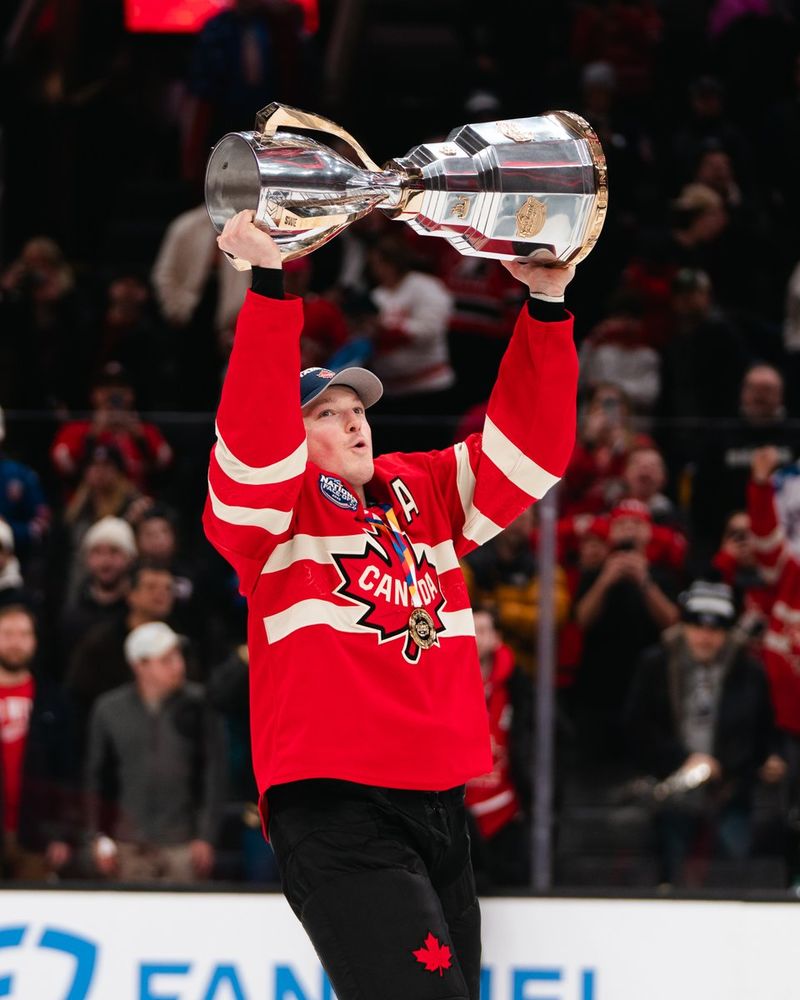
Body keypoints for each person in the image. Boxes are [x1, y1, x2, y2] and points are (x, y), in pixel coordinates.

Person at [205, 210, 578, 1000]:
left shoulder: (423, 491)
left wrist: (546, 307)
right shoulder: (270, 517)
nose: (353, 421)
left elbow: (529, 452)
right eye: (327, 414)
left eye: (358, 409)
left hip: (439, 799)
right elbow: (252, 447)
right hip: (335, 805)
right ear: (292, 434)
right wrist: (271, 292)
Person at [626, 580, 784, 886]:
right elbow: (638, 726)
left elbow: (761, 729)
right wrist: (683, 760)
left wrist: (762, 759)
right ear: (684, 625)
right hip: (670, 789)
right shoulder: (656, 664)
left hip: (731, 791)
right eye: (697, 625)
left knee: (733, 867)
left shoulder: (750, 671)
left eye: (716, 628)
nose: (705, 636)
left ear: (727, 632)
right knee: (674, 868)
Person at [85, 622, 225, 883]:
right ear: (140, 666)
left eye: (178, 656)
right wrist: (98, 836)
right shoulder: (109, 710)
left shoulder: (199, 705)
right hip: (127, 845)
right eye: (166, 659)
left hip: (182, 844)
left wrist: (206, 836)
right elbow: (96, 777)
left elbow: (213, 775)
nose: (178, 665)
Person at [0, 605, 74, 880]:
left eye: (23, 634)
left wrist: (62, 834)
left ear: (34, 641)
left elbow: (65, 772)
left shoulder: (54, 701)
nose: (15, 642)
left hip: (36, 837)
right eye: (7, 633)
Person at [464, 606, 532, 889]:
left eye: (482, 631)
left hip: (505, 811)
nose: (476, 639)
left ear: (497, 638)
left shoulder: (519, 686)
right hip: (459, 811)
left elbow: (534, 742)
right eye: (471, 631)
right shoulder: (443, 683)